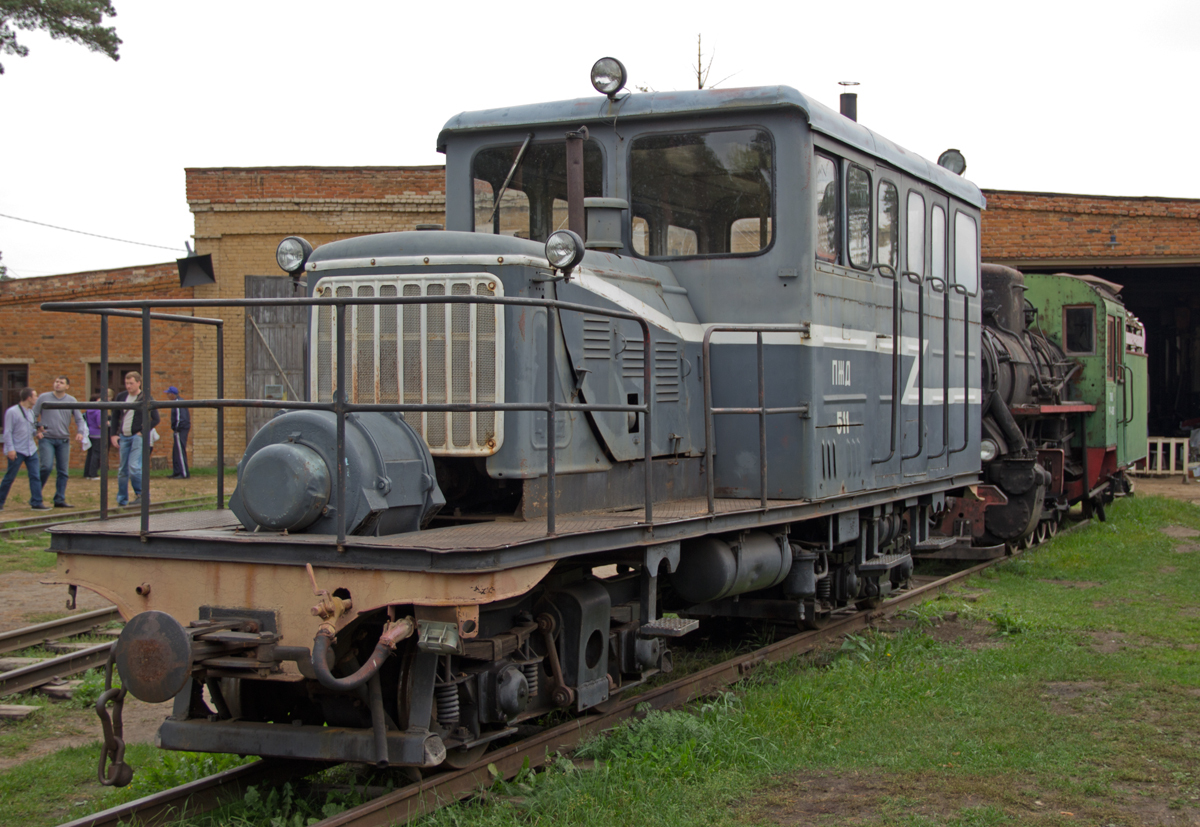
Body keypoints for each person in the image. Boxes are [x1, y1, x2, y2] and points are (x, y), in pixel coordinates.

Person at [34, 375, 86, 508]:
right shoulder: (43, 398)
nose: (58, 384)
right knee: (46, 466)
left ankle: (59, 499)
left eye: (61, 383)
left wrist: (80, 432)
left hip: (63, 439)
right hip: (47, 438)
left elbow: (79, 419)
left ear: (67, 386)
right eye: (56, 381)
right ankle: (36, 496)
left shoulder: (71, 400)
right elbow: (33, 415)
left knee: (63, 471)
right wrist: (37, 430)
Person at [110, 372, 160, 507]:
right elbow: (115, 416)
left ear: (138, 383)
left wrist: (142, 432)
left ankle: (141, 495)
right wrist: (113, 434)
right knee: (122, 470)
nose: (128, 386)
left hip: (137, 436)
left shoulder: (145, 397)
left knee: (134, 466)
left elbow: (156, 418)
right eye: (126, 383)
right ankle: (122, 499)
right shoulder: (121, 397)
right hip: (123, 436)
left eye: (131, 383)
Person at [0, 388, 50, 510]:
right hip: (17, 449)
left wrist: (37, 433)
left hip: (30, 449)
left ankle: (37, 502)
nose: (36, 398)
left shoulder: (31, 412)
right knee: (10, 476)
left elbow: (30, 429)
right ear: (29, 398)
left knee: (35, 476)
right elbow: (8, 432)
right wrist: (10, 449)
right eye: (35, 396)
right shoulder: (12, 412)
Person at [166, 386, 190, 478]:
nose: (167, 396)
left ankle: (183, 473)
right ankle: (177, 471)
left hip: (180, 430)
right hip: (179, 429)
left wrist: (177, 428)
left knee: (180, 451)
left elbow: (181, 417)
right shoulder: (177, 402)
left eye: (168, 394)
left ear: (172, 394)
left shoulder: (178, 402)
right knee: (176, 451)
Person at [83, 393, 103, 479]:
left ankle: (87, 473)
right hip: (98, 434)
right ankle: (93, 473)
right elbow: (100, 424)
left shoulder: (88, 410)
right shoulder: (98, 411)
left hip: (90, 433)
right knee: (96, 454)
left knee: (90, 454)